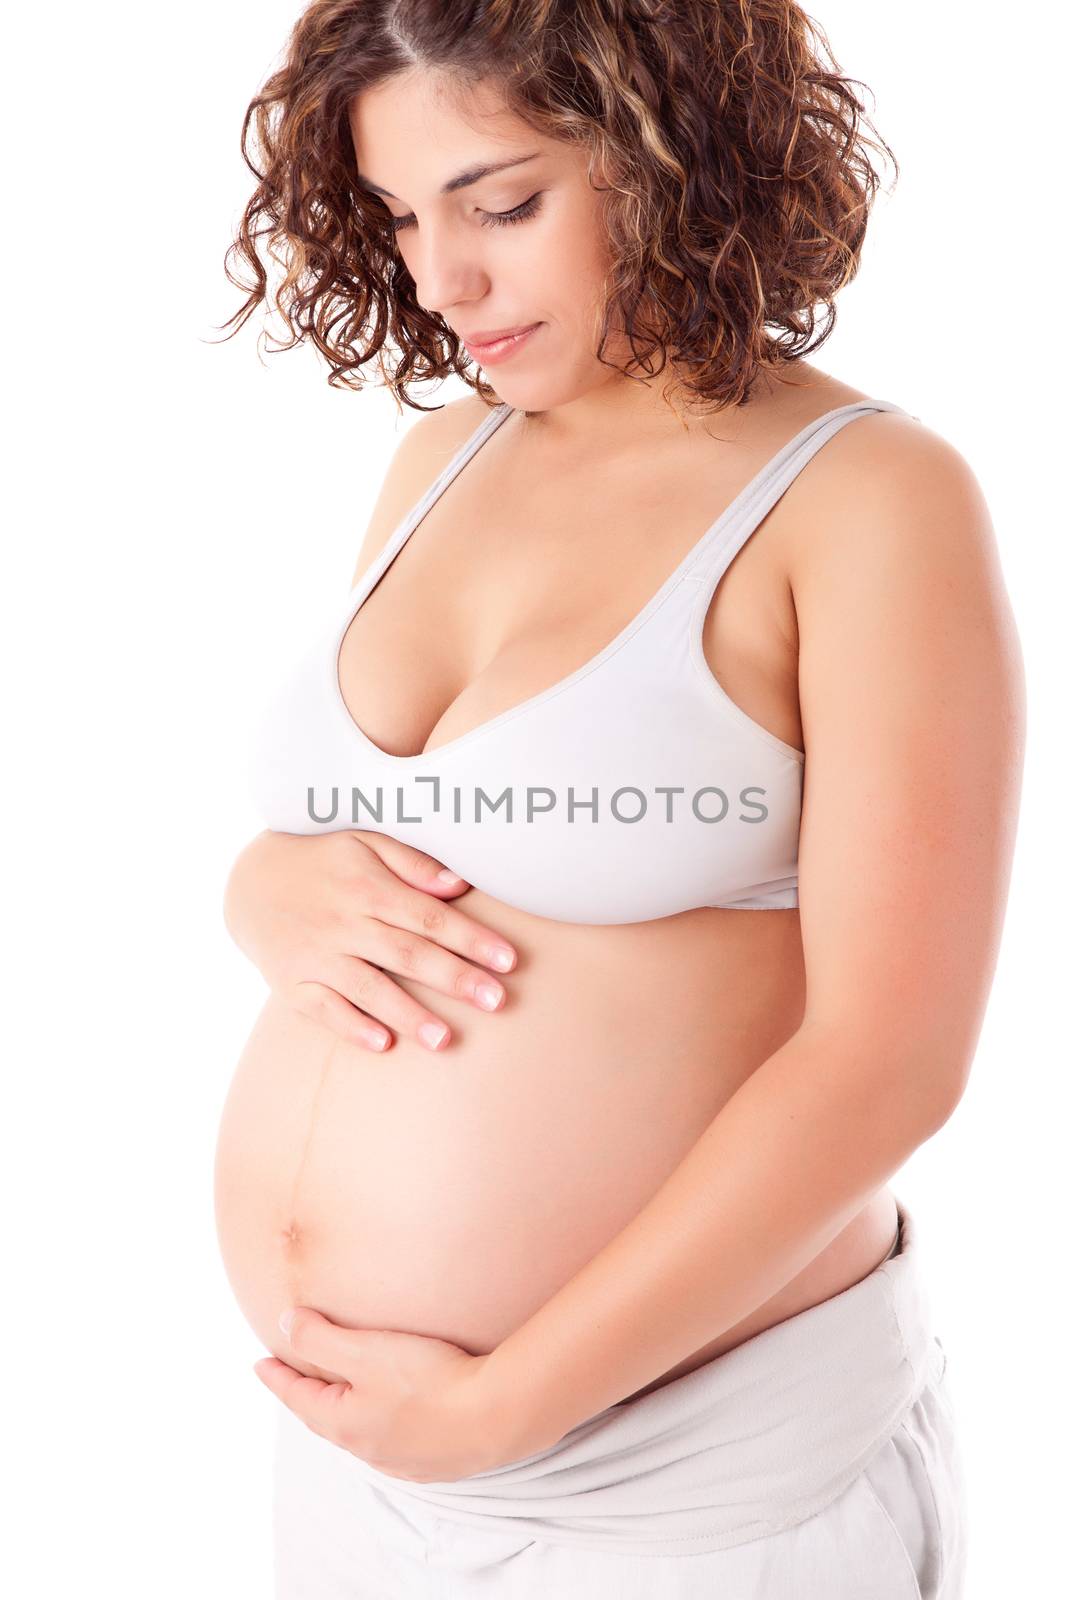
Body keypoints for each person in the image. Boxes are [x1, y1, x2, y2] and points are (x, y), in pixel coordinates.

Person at [212, 2, 1024, 1594]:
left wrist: (509, 1402)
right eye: (398, 213)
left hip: (692, 1483)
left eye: (500, 201)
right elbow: (417, 838)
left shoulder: (866, 498)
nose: (440, 279)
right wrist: (259, 883)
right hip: (365, 1472)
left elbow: (891, 1063)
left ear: (670, 160)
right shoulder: (444, 458)